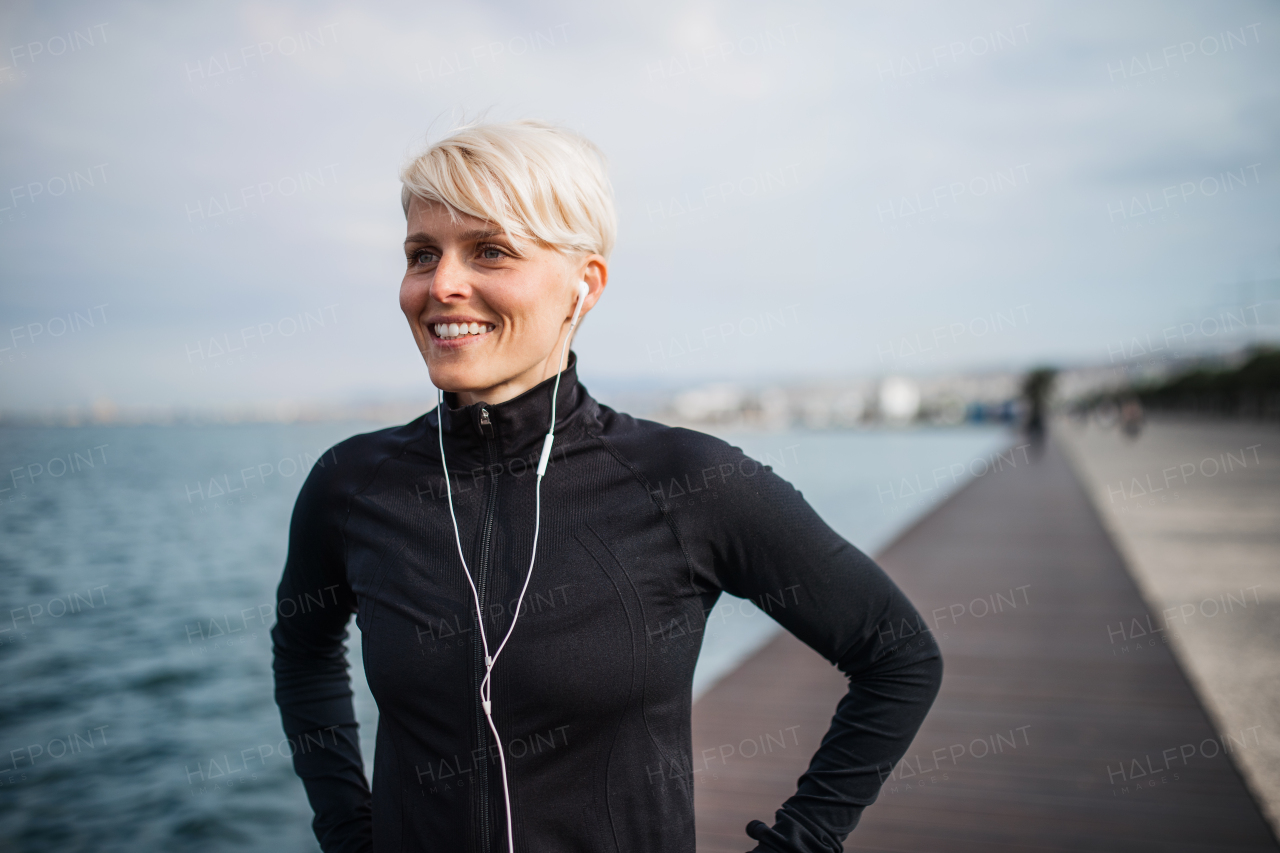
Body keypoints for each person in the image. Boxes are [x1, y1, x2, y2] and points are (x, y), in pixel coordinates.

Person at [272, 120, 943, 853]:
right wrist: (347, 830)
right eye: (421, 254)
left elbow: (898, 653)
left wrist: (802, 839)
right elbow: (303, 650)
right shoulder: (354, 485)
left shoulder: (686, 481)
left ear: (584, 284)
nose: (441, 285)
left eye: (490, 250)